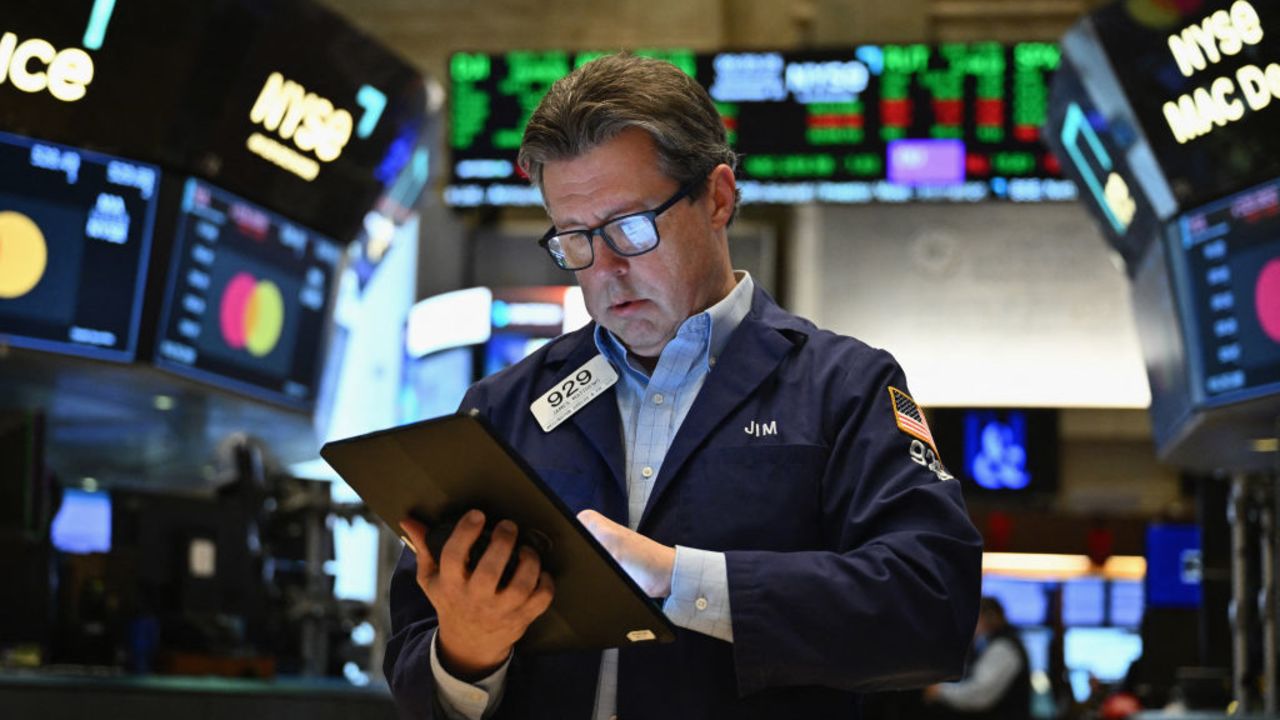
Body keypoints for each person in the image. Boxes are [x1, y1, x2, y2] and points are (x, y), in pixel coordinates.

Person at [385, 53, 983, 719]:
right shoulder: (502, 409)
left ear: (718, 197)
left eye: (630, 229)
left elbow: (933, 607)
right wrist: (468, 652)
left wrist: (676, 578)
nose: (604, 268)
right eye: (576, 238)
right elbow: (414, 668)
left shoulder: (843, 389)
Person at [924, 597, 1031, 720]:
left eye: (972, 617)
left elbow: (979, 694)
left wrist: (939, 691)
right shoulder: (986, 645)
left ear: (989, 618)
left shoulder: (1004, 647)